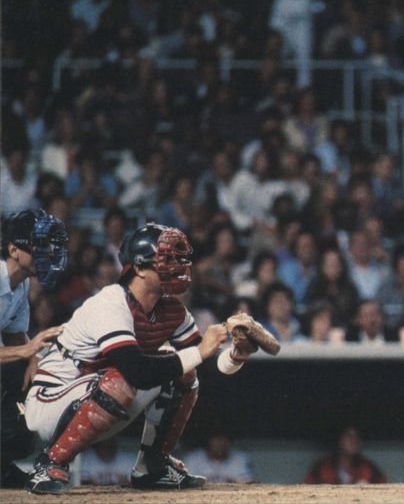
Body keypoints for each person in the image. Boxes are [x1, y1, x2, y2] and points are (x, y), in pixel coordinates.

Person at [22, 222, 249, 495]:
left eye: (178, 259)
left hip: (97, 397)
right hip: (52, 401)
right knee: (126, 377)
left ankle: (152, 467)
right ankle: (50, 462)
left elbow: (202, 365)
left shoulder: (172, 309)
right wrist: (199, 351)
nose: (177, 266)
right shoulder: (110, 302)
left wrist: (236, 354)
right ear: (139, 268)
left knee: (183, 371)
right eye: (166, 260)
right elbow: (137, 371)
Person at [1, 209, 68, 488]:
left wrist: (33, 361)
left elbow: (16, 334)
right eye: (38, 244)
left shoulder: (20, 283)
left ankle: (2, 467)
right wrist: (26, 353)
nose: (46, 251)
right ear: (13, 249)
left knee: (23, 424)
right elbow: (21, 348)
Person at [304, 426, 387, 484]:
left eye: (357, 437)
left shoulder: (368, 468)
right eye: (349, 436)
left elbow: (386, 493)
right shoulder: (322, 468)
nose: (354, 441)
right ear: (339, 439)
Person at [182, 431, 253, 483]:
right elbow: (185, 483)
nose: (221, 443)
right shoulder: (193, 458)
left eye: (224, 439)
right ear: (208, 441)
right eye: (217, 439)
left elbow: (247, 483)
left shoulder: (240, 458)